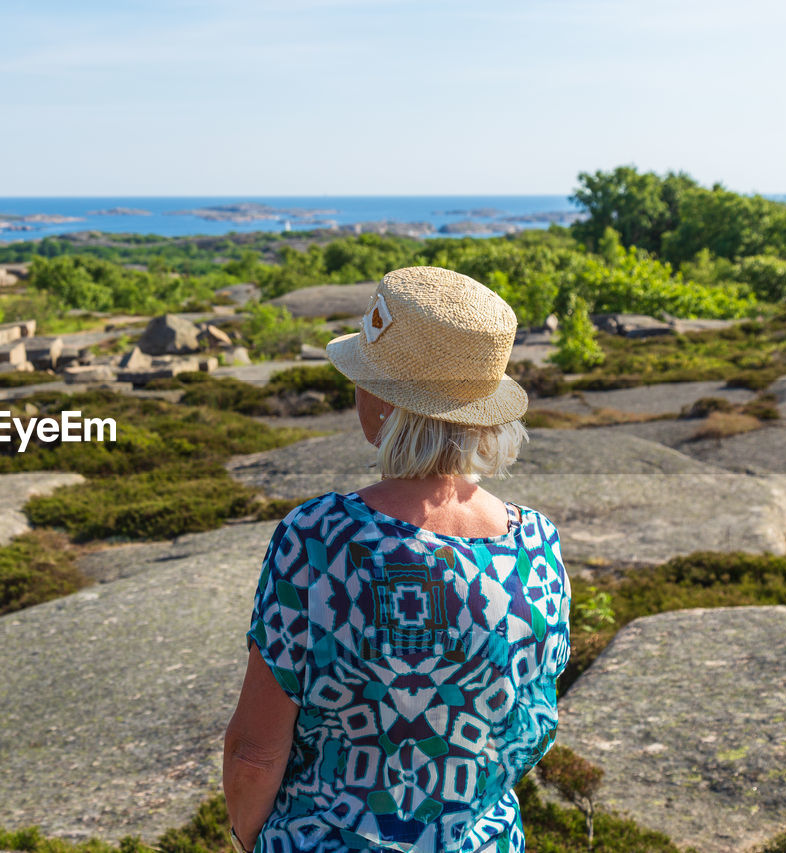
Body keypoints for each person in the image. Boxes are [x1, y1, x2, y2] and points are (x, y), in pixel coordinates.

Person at [222, 266, 571, 853]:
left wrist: (250, 840)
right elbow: (528, 730)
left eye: (362, 376)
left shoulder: (319, 539)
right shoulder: (537, 547)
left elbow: (256, 754)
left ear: (387, 402)